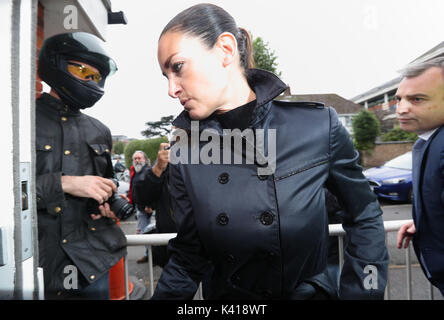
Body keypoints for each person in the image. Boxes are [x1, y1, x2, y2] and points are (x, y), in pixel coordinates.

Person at [151, 3, 388, 300]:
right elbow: (189, 253)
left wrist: (362, 293)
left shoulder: (317, 126)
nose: (171, 89)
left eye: (178, 67)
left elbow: (364, 214)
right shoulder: (185, 152)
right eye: (165, 76)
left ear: (225, 50)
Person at [36, 32, 126, 299]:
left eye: (96, 76)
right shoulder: (18, 124)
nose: (90, 80)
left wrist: (107, 205)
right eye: (83, 70)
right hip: (39, 265)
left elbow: (104, 185)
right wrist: (64, 183)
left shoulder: (99, 131)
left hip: (90, 264)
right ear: (57, 64)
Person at [396, 57, 444, 296]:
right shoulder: (429, 140)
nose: (402, 108)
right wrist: (424, 222)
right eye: (399, 99)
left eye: (417, 99)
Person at [133, 143, 178, 268]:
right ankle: (149, 255)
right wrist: (158, 168)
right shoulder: (162, 165)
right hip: (170, 243)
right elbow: (141, 196)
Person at [126, 150, 155, 263]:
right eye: (135, 159)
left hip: (145, 208)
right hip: (139, 207)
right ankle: (150, 255)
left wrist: (149, 205)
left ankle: (150, 256)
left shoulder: (147, 171)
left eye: (139, 158)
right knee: (143, 231)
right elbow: (134, 189)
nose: (137, 161)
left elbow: (152, 190)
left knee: (145, 233)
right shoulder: (136, 171)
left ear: (145, 159)